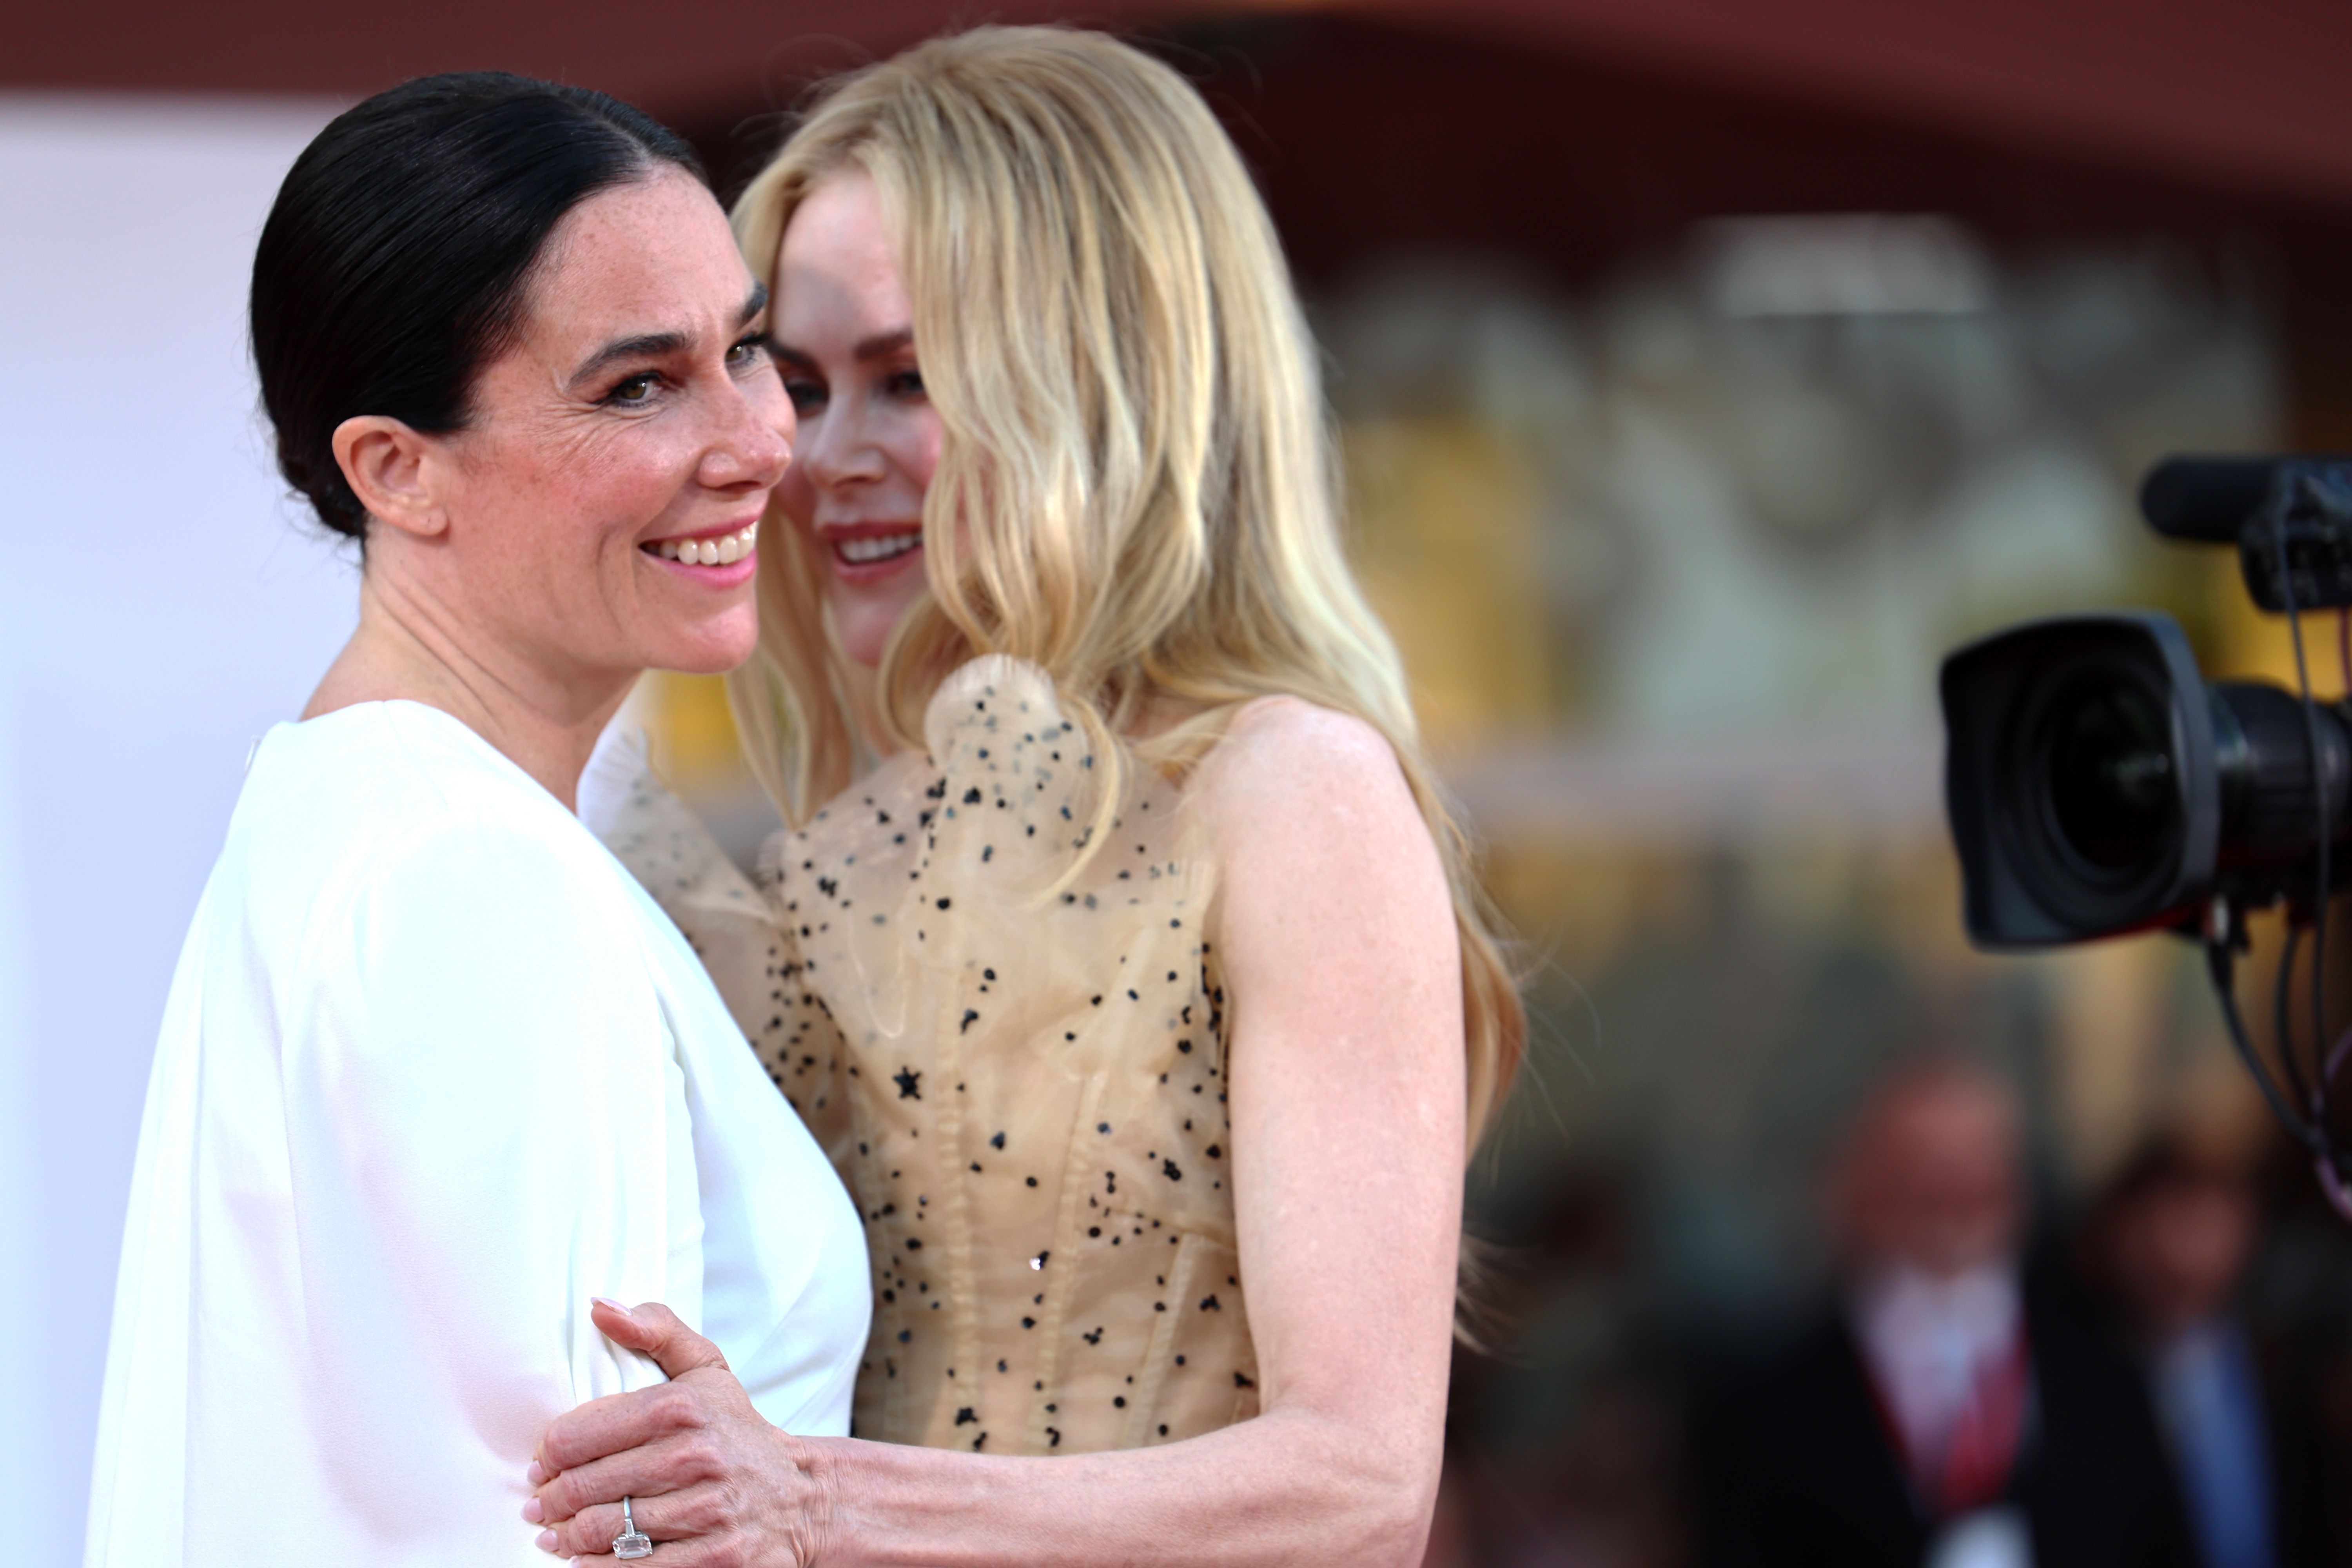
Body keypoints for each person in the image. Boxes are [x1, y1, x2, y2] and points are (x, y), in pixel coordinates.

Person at [531, 25, 1525, 1565]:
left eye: (909, 378)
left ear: (1102, 389)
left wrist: (814, 1495)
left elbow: (1358, 1486)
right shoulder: (857, 833)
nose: (826, 454)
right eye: (797, 380)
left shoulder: (1285, 789)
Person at [83, 73, 869, 1566]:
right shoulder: (471, 872)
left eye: (746, 347)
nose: (761, 438)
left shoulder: (351, 818)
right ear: (395, 466)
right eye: (640, 385)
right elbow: (600, 1535)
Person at [1697, 1059, 2194, 1568]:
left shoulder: (2106, 1380)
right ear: (1858, 1187)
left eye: (1981, 1158)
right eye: (1921, 1160)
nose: (1955, 1189)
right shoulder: (1766, 1412)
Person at [2091, 1134, 2327, 1568]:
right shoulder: (2083, 1383)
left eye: (2201, 1223)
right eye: (2158, 1221)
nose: (2177, 1253)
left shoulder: (2290, 1367)